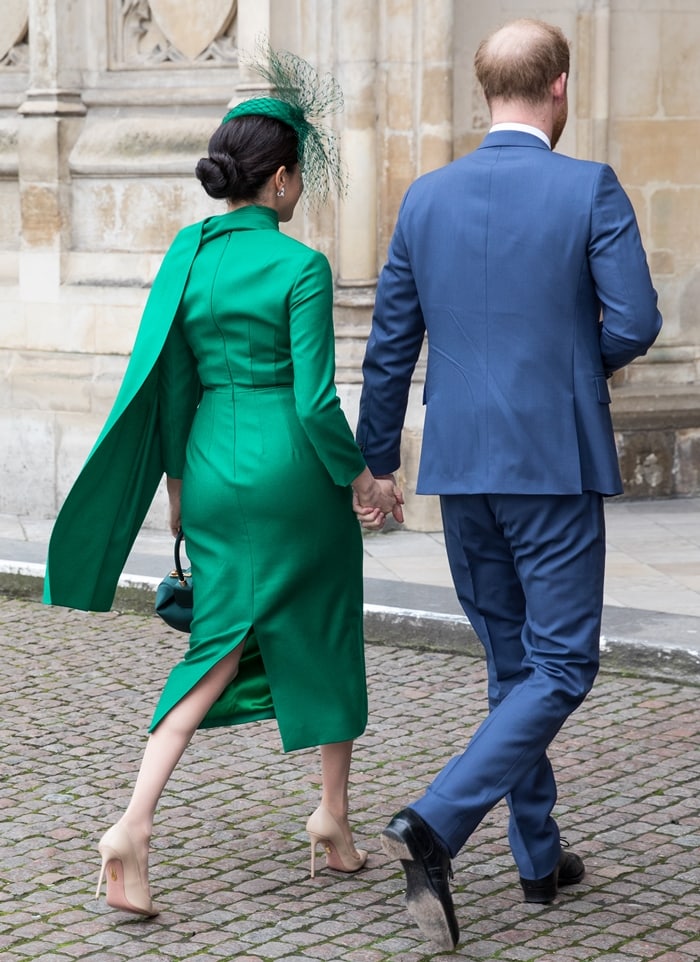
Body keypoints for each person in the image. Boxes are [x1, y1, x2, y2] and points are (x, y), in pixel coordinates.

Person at [43, 46, 402, 918]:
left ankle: (159, 825)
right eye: (298, 179)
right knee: (323, 627)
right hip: (292, 474)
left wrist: (176, 486)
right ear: (279, 181)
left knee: (218, 638)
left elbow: (169, 384)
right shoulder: (301, 266)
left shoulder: (190, 253)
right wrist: (365, 481)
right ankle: (321, 816)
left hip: (207, 463)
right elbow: (318, 403)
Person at [355, 18, 662, 951]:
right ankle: (437, 821)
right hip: (551, 461)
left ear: (485, 91)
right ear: (558, 88)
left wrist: (379, 461)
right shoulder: (589, 186)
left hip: (460, 463)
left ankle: (539, 856)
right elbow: (637, 319)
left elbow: (388, 346)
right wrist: (574, 367)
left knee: (514, 665)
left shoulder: (425, 197)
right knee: (563, 664)